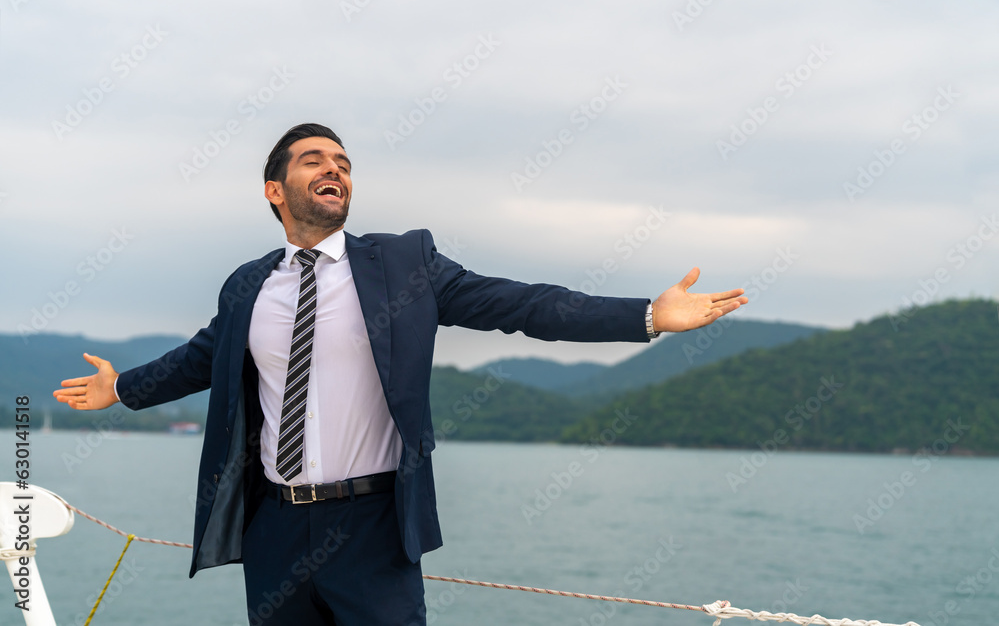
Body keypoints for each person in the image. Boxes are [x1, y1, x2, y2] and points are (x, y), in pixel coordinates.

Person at [53, 123, 748, 625]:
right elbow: (201, 356)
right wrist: (121, 387)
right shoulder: (247, 285)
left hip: (372, 526)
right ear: (275, 188)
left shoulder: (404, 264)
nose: (335, 169)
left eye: (345, 163)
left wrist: (648, 315)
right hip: (273, 527)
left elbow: (523, 304)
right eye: (315, 159)